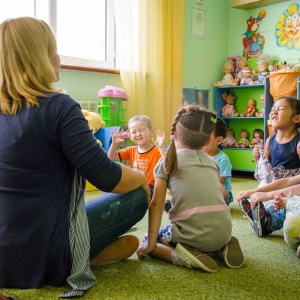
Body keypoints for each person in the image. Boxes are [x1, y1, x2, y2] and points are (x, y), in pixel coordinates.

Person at [0, 17, 150, 299]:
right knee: (137, 196)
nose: (58, 58)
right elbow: (106, 176)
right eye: (53, 50)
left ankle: (88, 255)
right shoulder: (59, 107)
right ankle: (77, 260)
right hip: (49, 250)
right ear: (40, 58)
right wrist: (142, 178)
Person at [136, 105, 244, 273]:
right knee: (206, 228)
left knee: (147, 239)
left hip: (191, 236)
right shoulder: (212, 163)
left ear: (175, 134)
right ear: (208, 140)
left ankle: (181, 256)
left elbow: (156, 205)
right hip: (223, 232)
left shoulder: (167, 162)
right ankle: (223, 245)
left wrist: (150, 243)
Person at [237, 96, 300, 237]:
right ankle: (259, 215)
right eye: (273, 109)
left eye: (281, 109)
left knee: (282, 204)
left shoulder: (298, 143)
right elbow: (266, 169)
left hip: (290, 183)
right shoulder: (270, 140)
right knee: (259, 193)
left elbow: (293, 180)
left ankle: (266, 218)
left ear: (296, 118)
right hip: (272, 181)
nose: (274, 112)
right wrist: (257, 157)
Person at [108, 115, 166, 198]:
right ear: (130, 136)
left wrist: (161, 148)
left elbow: (167, 165)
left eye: (141, 130)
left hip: (151, 187)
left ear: (151, 131)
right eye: (134, 132)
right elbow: (112, 157)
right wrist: (114, 144)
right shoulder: (130, 150)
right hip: (135, 185)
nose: (138, 134)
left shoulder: (157, 151)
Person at [203, 117, 233, 205]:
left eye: (206, 138)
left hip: (219, 194)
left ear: (219, 140)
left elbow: (218, 184)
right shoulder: (197, 155)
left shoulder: (223, 159)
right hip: (201, 191)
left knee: (220, 188)